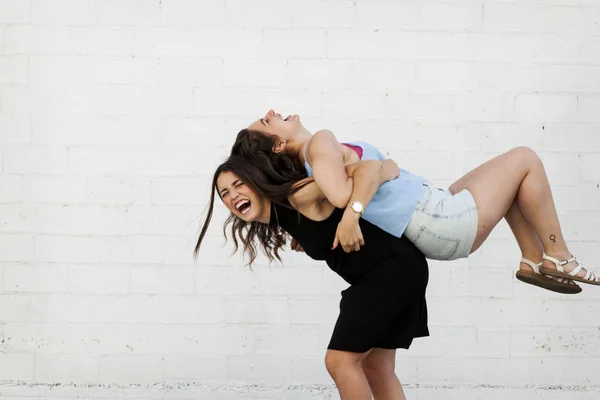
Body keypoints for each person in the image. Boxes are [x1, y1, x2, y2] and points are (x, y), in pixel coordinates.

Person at [229, 110, 599, 294]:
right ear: (278, 144)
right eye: (266, 120)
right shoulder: (319, 144)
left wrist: (371, 171)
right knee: (525, 159)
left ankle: (534, 259)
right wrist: (365, 190)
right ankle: (559, 256)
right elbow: (342, 196)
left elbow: (333, 190)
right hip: (437, 220)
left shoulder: (314, 162)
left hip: (433, 210)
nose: (273, 112)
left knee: (510, 180)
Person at [195, 155, 429, 400]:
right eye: (224, 193)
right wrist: (311, 239)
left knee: (339, 361)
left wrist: (356, 210)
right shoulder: (284, 215)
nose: (233, 195)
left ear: (256, 181)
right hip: (398, 268)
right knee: (377, 367)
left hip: (391, 269)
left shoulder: (296, 195)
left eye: (239, 184)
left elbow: (366, 168)